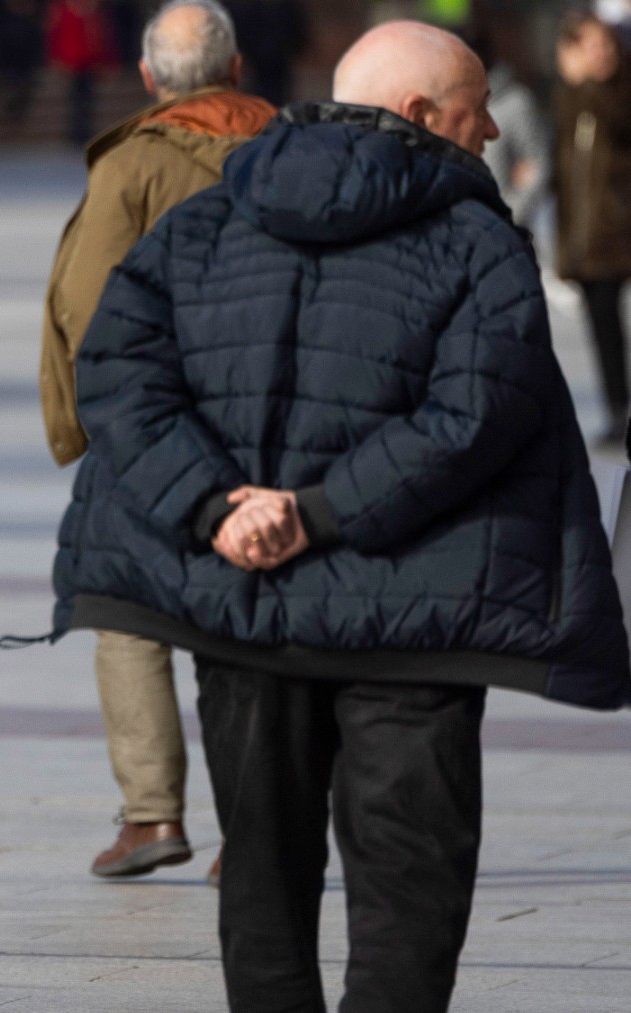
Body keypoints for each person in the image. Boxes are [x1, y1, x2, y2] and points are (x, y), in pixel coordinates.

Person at [54, 20, 631, 1011]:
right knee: (411, 880)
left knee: (264, 875)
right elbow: (480, 414)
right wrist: (315, 514)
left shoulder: (202, 221)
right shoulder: (478, 241)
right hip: (417, 620)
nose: (492, 127)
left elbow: (114, 372)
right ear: (417, 116)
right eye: (475, 106)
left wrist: (221, 510)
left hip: (241, 601)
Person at [40, 0, 274, 883]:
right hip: (275, 426)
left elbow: (86, 304)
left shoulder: (133, 163)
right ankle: (255, 827)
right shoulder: (294, 150)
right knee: (248, 619)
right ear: (239, 67)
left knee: (125, 608)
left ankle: (151, 815)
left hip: (150, 425)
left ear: (146, 79)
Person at [555, 11, 631, 444]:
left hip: (618, 227)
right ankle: (616, 408)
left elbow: (619, 121)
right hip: (585, 233)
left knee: (613, 321)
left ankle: (619, 408)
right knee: (602, 323)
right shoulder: (569, 96)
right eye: (590, 46)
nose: (600, 55)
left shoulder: (619, 90)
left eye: (605, 45)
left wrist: (590, 83)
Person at [475, 24, 549, 227]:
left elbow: (536, 166)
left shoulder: (516, 101)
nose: (491, 130)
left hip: (507, 228)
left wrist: (507, 217)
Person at [47, 0, 117, 146]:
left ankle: (84, 131)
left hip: (89, 62)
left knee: (87, 99)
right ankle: (76, 132)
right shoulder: (65, 9)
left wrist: (105, 61)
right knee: (75, 99)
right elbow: (57, 34)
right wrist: (58, 58)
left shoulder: (92, 12)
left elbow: (101, 36)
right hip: (72, 62)